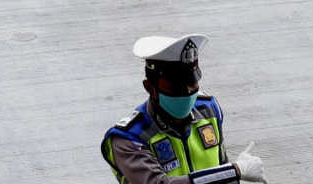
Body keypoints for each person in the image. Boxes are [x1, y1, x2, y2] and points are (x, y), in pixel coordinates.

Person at [102, 34, 267, 184]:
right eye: (176, 87)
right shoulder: (129, 138)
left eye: (192, 83)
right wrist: (236, 170)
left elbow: (220, 167)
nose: (187, 92)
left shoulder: (209, 110)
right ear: (150, 87)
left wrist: (231, 176)